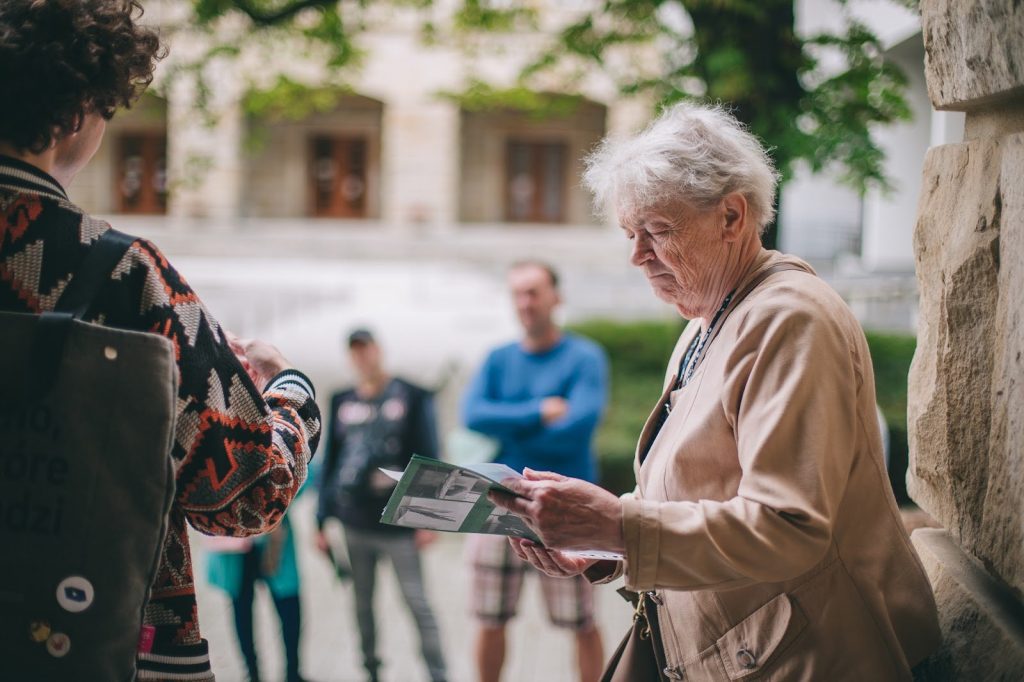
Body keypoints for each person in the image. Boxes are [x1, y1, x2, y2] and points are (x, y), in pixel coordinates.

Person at [490, 103, 942, 681]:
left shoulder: (790, 319)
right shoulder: (709, 319)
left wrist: (618, 527)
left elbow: (787, 526)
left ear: (732, 215)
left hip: (812, 659)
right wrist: (601, 543)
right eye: (631, 234)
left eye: (656, 231)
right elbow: (700, 487)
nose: (637, 255)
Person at [0, 2, 321, 680]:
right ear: (80, 110)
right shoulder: (117, 271)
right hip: (84, 640)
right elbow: (241, 497)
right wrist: (292, 392)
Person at [461, 261, 609, 682]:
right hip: (500, 505)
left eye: (534, 292)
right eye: (518, 294)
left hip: (568, 507)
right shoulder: (497, 358)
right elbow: (472, 414)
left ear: (555, 297)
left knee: (579, 620)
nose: (525, 303)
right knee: (489, 617)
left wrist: (508, 421)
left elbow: (575, 429)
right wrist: (539, 410)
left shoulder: (585, 357)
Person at [315, 329, 448, 682]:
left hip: (400, 523)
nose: (363, 358)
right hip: (353, 522)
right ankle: (370, 670)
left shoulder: (410, 395)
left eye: (367, 350)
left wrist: (430, 520)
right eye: (355, 352)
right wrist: (319, 521)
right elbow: (331, 460)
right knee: (361, 605)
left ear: (379, 351)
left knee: (417, 603)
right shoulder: (342, 398)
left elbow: (430, 456)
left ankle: (438, 674)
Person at [206, 507, 307, 682]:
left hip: (275, 533)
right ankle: (252, 674)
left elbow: (304, 482)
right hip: (233, 540)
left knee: (289, 604)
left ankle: (293, 673)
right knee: (241, 607)